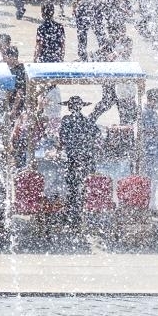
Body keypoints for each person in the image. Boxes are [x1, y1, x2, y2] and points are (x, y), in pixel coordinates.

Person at [58, 95, 99, 225]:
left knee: (72, 187)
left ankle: (72, 216)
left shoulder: (66, 120)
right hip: (86, 158)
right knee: (85, 187)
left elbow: (62, 138)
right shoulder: (87, 121)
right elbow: (97, 135)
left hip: (72, 159)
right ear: (81, 107)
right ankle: (82, 214)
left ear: (69, 108)